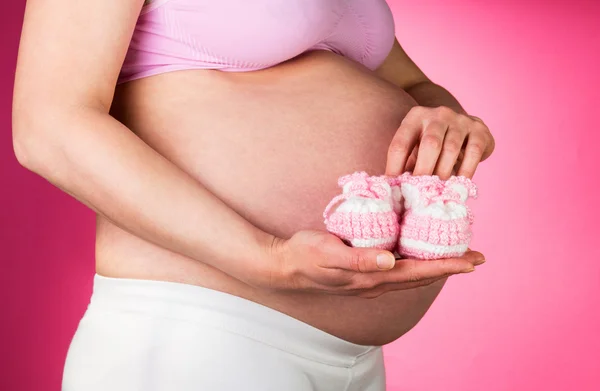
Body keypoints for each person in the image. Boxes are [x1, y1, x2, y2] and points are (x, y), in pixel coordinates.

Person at [12, 0, 495, 390]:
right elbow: (50, 126)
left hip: (351, 360)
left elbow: (413, 84)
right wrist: (265, 257)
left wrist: (447, 118)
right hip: (201, 332)